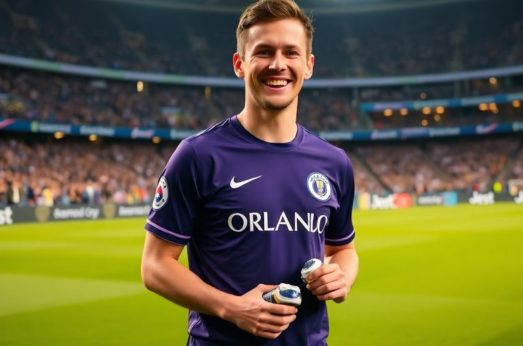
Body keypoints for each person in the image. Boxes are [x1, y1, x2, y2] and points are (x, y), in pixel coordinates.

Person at [141, 0, 359, 344]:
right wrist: (232, 308)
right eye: (263, 52)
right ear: (240, 64)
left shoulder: (333, 162)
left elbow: (343, 248)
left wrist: (341, 277)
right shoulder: (198, 155)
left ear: (309, 65)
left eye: (291, 53)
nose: (278, 64)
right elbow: (154, 266)